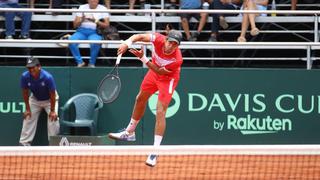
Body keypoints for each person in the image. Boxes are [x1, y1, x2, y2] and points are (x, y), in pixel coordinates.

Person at [108, 30, 183, 167]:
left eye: (174, 44)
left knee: (160, 111)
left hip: (168, 79)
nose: (171, 46)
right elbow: (139, 36)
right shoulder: (158, 39)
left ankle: (155, 151)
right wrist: (127, 43)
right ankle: (129, 132)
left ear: (177, 46)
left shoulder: (177, 59)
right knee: (140, 99)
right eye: (170, 42)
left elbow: (160, 71)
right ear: (165, 39)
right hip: (153, 74)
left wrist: (143, 58)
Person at [19, 57, 59, 146]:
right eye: (29, 68)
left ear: (39, 67)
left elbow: (52, 95)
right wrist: (28, 109)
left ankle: (53, 144)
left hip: (50, 100)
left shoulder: (48, 77)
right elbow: (25, 93)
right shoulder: (25, 77)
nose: (31, 70)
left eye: (33, 67)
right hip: (35, 99)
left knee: (53, 119)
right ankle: (24, 144)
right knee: (28, 117)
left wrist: (52, 111)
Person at [68, 0, 110, 67]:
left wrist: (95, 20)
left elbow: (107, 25)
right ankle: (80, 62)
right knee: (71, 41)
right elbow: (75, 25)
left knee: (96, 42)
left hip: (95, 32)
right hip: (81, 31)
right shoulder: (82, 7)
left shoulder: (102, 8)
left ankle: (91, 63)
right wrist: (82, 19)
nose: (93, 0)